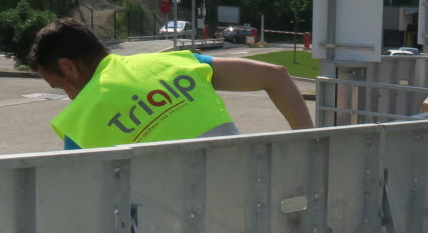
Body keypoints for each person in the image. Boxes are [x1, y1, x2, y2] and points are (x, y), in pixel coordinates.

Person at [26, 19, 313, 149]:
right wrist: (311, 148)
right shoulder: (175, 63)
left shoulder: (79, 122)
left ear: (68, 67)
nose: (69, 97)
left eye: (60, 86)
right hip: (247, 207)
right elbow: (276, 75)